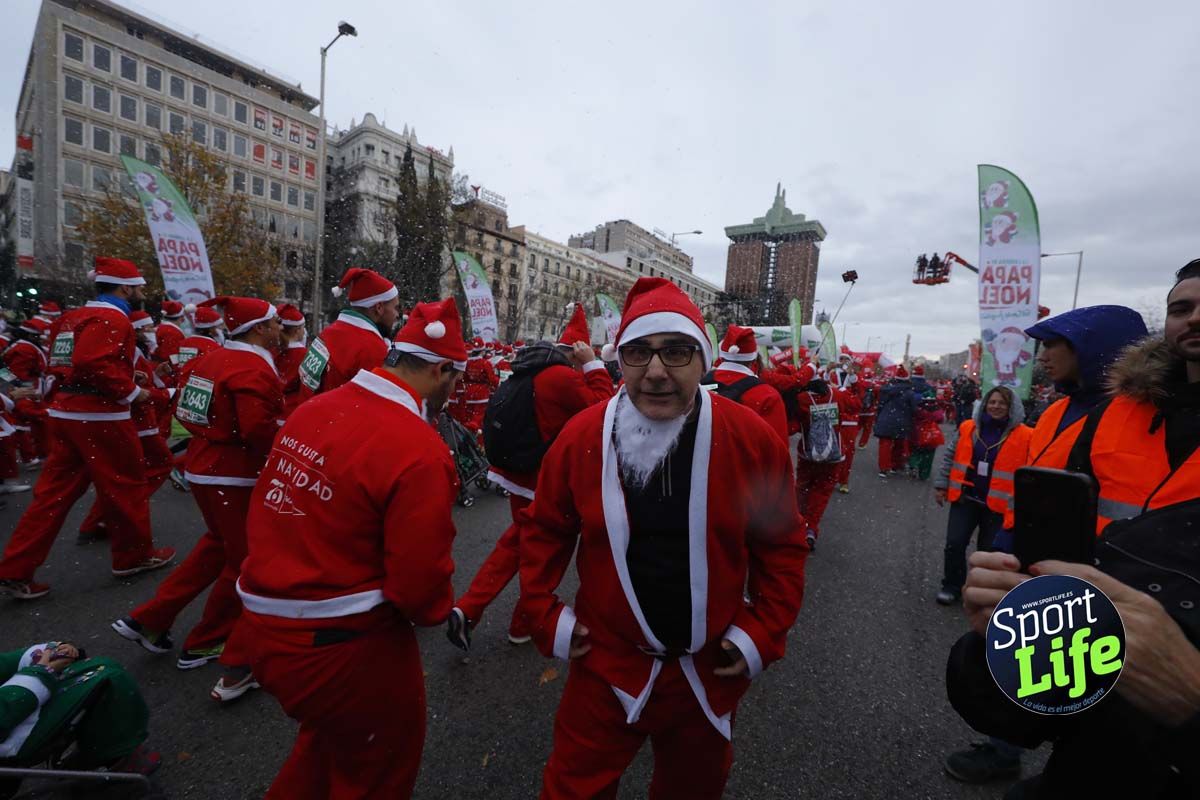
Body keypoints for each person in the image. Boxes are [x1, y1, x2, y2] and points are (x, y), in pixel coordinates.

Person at [514, 277, 807, 799]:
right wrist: (542, 610)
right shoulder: (582, 435)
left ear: (704, 360)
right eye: (638, 354)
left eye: (676, 352)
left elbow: (781, 545)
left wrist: (762, 631)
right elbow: (544, 528)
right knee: (573, 788)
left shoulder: (750, 438)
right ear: (618, 360)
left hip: (706, 670)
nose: (654, 373)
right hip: (603, 664)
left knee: (692, 789)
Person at [236, 299, 466, 799]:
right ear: (443, 369)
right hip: (344, 651)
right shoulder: (418, 449)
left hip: (265, 630)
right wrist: (437, 608)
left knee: (324, 750)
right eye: (456, 379)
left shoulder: (317, 409)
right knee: (377, 773)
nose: (455, 393)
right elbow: (419, 588)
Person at [941, 304, 1149, 783]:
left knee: (1075, 679)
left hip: (1100, 574)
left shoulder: (1134, 416)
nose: (1044, 355)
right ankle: (1008, 747)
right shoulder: (1055, 410)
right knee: (1024, 663)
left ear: (1094, 349)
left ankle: (1032, 756)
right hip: (1031, 556)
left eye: (1056, 344)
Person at [113, 297, 283, 704]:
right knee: (245, 562)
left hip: (205, 467)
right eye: (275, 322)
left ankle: (151, 618)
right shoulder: (251, 366)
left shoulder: (212, 359)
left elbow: (187, 413)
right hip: (234, 474)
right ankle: (207, 639)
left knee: (215, 549)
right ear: (259, 329)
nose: (280, 327)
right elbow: (257, 429)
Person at [0, 258, 175, 600]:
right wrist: (132, 392)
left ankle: (14, 569)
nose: (142, 292)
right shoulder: (112, 317)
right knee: (126, 489)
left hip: (67, 413)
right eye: (138, 286)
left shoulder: (72, 316)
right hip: (101, 418)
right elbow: (92, 362)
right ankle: (132, 556)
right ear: (125, 288)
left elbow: (66, 363)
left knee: (50, 497)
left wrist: (124, 378)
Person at [452, 303, 613, 645]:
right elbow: (603, 408)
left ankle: (468, 609)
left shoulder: (533, 369)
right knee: (545, 554)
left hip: (517, 472)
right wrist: (594, 365)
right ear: (577, 350)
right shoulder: (562, 376)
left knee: (515, 545)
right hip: (542, 480)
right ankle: (525, 624)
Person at [0, 640, 159, 776]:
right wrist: (41, 671)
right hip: (12, 738)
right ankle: (117, 757)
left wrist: (47, 652)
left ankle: (100, 748)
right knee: (108, 678)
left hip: (14, 707)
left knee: (95, 666)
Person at [932, 386, 1030, 605]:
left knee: (988, 553)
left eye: (1002, 403)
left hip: (999, 505)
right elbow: (950, 457)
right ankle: (951, 585)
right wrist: (941, 485)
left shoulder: (1026, 435)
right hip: (965, 498)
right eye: (992, 402)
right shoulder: (969, 427)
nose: (995, 407)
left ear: (1011, 407)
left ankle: (982, 593)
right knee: (954, 544)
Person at [297, 267, 397, 400]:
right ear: (379, 308)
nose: (397, 315)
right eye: (396, 308)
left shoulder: (328, 333)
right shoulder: (371, 348)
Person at [702, 324, 788, 443]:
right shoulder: (768, 396)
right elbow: (777, 451)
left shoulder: (696, 384)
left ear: (721, 356)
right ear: (753, 360)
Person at [793, 364, 842, 549]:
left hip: (808, 453)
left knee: (802, 488)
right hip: (833, 454)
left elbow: (794, 426)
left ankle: (797, 525)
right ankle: (810, 529)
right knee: (821, 493)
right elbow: (854, 407)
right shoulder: (837, 395)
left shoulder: (801, 399)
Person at [874, 365, 920, 476]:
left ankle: (883, 468)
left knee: (885, 444)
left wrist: (879, 416)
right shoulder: (910, 393)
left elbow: (880, 404)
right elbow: (914, 409)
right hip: (902, 422)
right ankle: (894, 466)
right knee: (899, 445)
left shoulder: (886, 389)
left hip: (885, 419)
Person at [273, 303, 308, 418]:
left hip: (273, 410)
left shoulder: (270, 350)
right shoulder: (304, 354)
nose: (304, 331)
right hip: (293, 412)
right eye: (303, 327)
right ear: (297, 330)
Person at [908, 396, 945, 481]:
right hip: (931, 435)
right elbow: (940, 419)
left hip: (917, 433)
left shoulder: (918, 409)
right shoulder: (936, 410)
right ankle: (924, 474)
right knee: (928, 456)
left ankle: (913, 465)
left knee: (915, 451)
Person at [857, 367, 879, 448]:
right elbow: (877, 398)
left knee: (857, 426)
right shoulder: (875, 386)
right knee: (867, 429)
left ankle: (850, 441)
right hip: (870, 411)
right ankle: (862, 444)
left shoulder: (859, 384)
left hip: (860, 409)